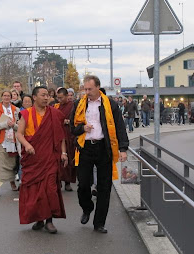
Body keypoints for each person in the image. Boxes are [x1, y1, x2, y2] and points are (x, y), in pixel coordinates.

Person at [70, 75, 129, 233]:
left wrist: (123, 149)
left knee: (104, 187)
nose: (87, 92)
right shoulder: (79, 104)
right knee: (83, 184)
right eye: (85, 89)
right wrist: (82, 128)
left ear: (98, 87)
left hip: (104, 147)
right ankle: (87, 207)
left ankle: (99, 223)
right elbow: (72, 129)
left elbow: (119, 127)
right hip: (85, 147)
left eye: (90, 89)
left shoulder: (110, 104)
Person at [16, 86, 68, 234]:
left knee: (50, 189)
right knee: (35, 191)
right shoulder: (25, 114)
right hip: (33, 159)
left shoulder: (54, 114)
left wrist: (64, 153)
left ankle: (49, 220)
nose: (46, 98)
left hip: (50, 158)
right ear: (34, 97)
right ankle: (39, 219)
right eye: (43, 95)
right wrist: (27, 145)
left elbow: (60, 136)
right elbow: (19, 134)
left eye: (48, 95)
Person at [0, 90, 21, 195]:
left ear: (11, 98)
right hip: (0, 140)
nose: (6, 98)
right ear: (1, 97)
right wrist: (5, 124)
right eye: (5, 96)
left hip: (12, 141)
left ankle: (12, 182)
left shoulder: (16, 110)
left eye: (8, 96)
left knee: (11, 164)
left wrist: (13, 125)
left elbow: (19, 127)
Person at [55, 87, 76, 191]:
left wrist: (68, 121)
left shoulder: (72, 106)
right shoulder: (56, 106)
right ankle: (58, 181)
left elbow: (77, 119)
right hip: (58, 134)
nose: (59, 100)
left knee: (69, 157)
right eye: (58, 98)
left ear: (67, 96)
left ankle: (67, 182)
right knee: (57, 159)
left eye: (61, 98)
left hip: (69, 134)